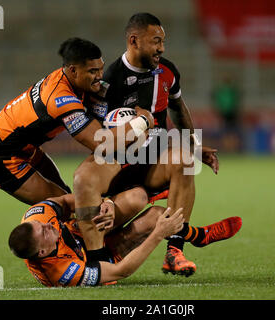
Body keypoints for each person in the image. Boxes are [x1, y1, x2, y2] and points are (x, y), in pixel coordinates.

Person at [73, 13, 220, 276]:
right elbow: (97, 140)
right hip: (121, 167)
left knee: (185, 161)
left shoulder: (168, 71)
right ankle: (99, 252)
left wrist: (195, 145)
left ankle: (175, 251)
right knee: (121, 203)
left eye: (163, 42)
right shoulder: (108, 81)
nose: (161, 48)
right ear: (134, 41)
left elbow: (177, 106)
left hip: (154, 161)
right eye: (156, 42)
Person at [0, 37, 154, 205]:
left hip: (23, 146)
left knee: (68, 196)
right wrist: (142, 122)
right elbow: (101, 143)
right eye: (93, 71)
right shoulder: (60, 98)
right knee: (66, 205)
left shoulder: (73, 81)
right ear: (73, 70)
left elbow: (100, 113)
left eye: (101, 69)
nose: (100, 77)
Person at [8, 187, 242, 286]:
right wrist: (159, 234)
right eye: (45, 232)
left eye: (43, 225)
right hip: (103, 258)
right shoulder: (61, 272)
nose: (49, 226)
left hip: (84, 230)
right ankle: (200, 235)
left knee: (138, 197)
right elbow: (122, 272)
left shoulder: (37, 216)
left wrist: (102, 205)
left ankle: (197, 234)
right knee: (157, 217)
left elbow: (65, 201)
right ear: (41, 252)